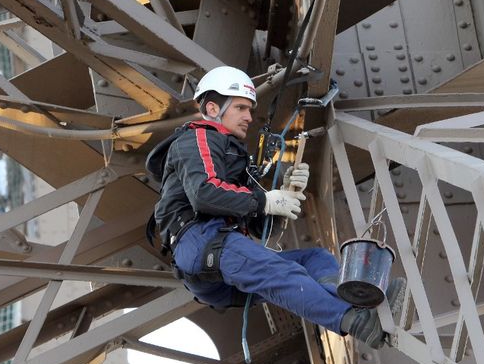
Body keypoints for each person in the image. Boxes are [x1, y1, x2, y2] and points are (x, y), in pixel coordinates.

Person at [146, 66, 404, 349]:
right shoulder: (197, 139)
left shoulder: (233, 158)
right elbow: (205, 193)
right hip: (201, 243)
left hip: (220, 257)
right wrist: (266, 200)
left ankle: (350, 302)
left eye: (250, 109)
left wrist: (283, 197)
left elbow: (261, 228)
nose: (249, 116)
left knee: (313, 260)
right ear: (212, 107)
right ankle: (359, 323)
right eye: (241, 107)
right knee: (278, 271)